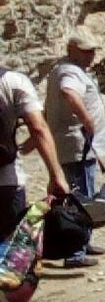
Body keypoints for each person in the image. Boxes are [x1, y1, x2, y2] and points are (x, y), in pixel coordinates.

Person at [44, 30, 105, 268]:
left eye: (93, 50)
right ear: (71, 50)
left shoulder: (66, 69)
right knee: (79, 198)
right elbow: (68, 92)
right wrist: (87, 120)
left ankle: (82, 240)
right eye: (86, 51)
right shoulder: (70, 72)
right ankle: (74, 251)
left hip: (76, 144)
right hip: (76, 144)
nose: (91, 55)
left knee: (78, 195)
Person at [1, 62, 69, 242]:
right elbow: (38, 128)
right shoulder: (13, 81)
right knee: (9, 249)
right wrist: (56, 174)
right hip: (6, 180)